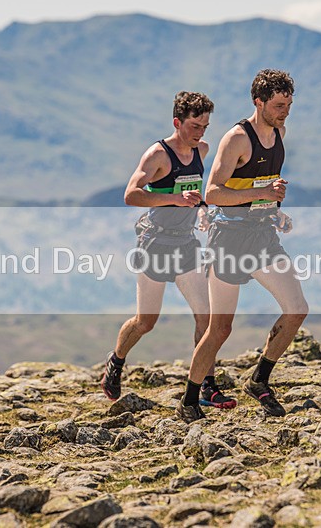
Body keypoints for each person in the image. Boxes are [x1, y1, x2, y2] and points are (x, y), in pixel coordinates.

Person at [176, 69, 308, 422]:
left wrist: (274, 207)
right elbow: (213, 192)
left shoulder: (280, 131)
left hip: (263, 234)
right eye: (279, 105)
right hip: (229, 239)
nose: (285, 111)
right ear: (259, 102)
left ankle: (259, 379)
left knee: (296, 309)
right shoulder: (237, 138)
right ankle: (190, 398)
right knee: (220, 328)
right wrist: (261, 195)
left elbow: (264, 181)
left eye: (290, 104)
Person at [101, 91, 237, 411]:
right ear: (177, 123)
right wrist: (173, 200)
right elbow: (131, 195)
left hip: (186, 244)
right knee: (146, 322)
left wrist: (202, 210)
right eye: (194, 126)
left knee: (208, 317)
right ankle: (117, 361)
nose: (200, 133)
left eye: (205, 126)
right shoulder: (158, 155)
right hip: (155, 244)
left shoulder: (202, 151)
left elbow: (196, 194)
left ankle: (206, 384)